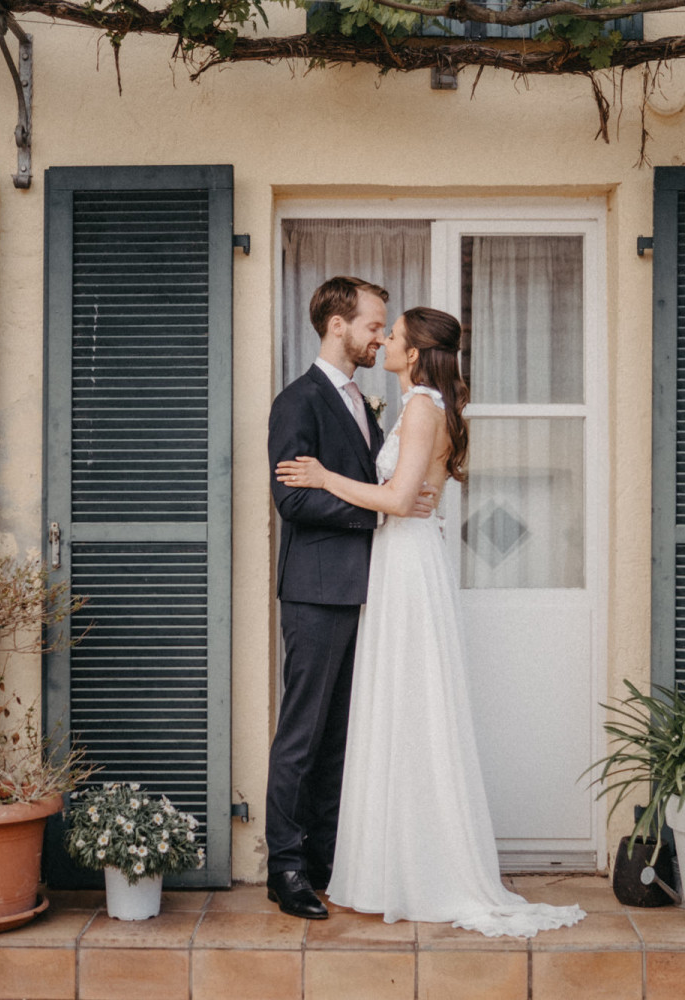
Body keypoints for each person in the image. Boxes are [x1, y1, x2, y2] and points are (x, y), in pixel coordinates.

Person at [276, 306, 586, 937]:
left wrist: (327, 475)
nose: (384, 339)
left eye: (392, 334)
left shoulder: (419, 406)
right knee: (384, 710)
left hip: (405, 564)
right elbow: (395, 495)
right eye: (378, 328)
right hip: (389, 563)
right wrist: (389, 497)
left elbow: (394, 498)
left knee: (406, 707)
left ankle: (415, 865)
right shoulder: (402, 403)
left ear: (414, 353)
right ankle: (364, 859)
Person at [264, 276, 436, 921]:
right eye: (373, 324)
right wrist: (379, 517)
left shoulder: (365, 402)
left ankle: (328, 858)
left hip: (368, 591)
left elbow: (371, 485)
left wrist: (403, 497)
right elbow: (293, 498)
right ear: (338, 324)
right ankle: (286, 867)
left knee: (342, 737)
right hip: (315, 592)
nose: (379, 337)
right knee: (303, 733)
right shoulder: (298, 401)